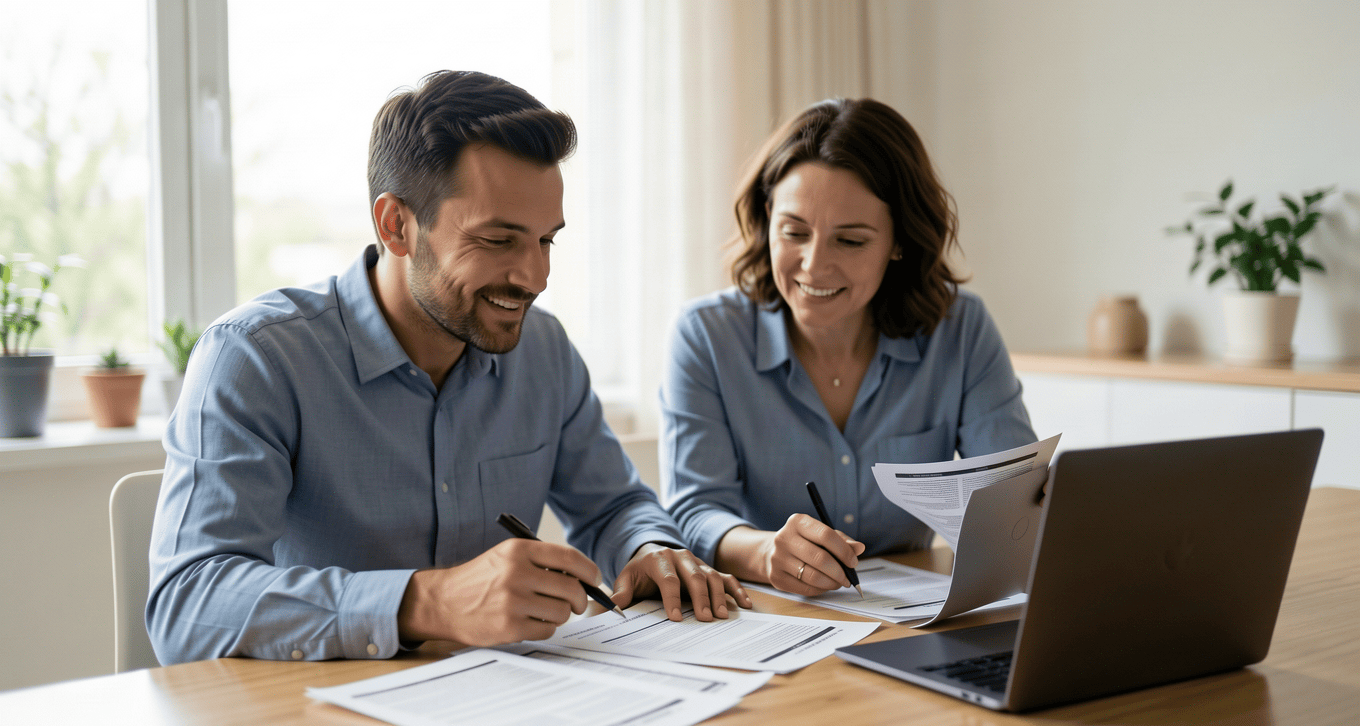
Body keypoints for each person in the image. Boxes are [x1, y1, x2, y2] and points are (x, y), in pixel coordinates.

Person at [148, 70, 749, 665]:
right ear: (397, 225)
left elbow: (614, 507)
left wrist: (649, 548)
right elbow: (186, 602)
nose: (535, 277)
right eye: (498, 240)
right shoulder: (255, 358)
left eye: (546, 241)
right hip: (316, 715)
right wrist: (428, 602)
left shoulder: (544, 351)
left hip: (506, 702)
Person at [661, 97, 1036, 599]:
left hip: (911, 618)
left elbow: (1015, 502)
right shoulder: (706, 337)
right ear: (767, 218)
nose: (814, 265)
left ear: (898, 242)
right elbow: (694, 511)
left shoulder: (960, 330)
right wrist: (766, 551)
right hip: (770, 615)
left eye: (851, 241)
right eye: (794, 232)